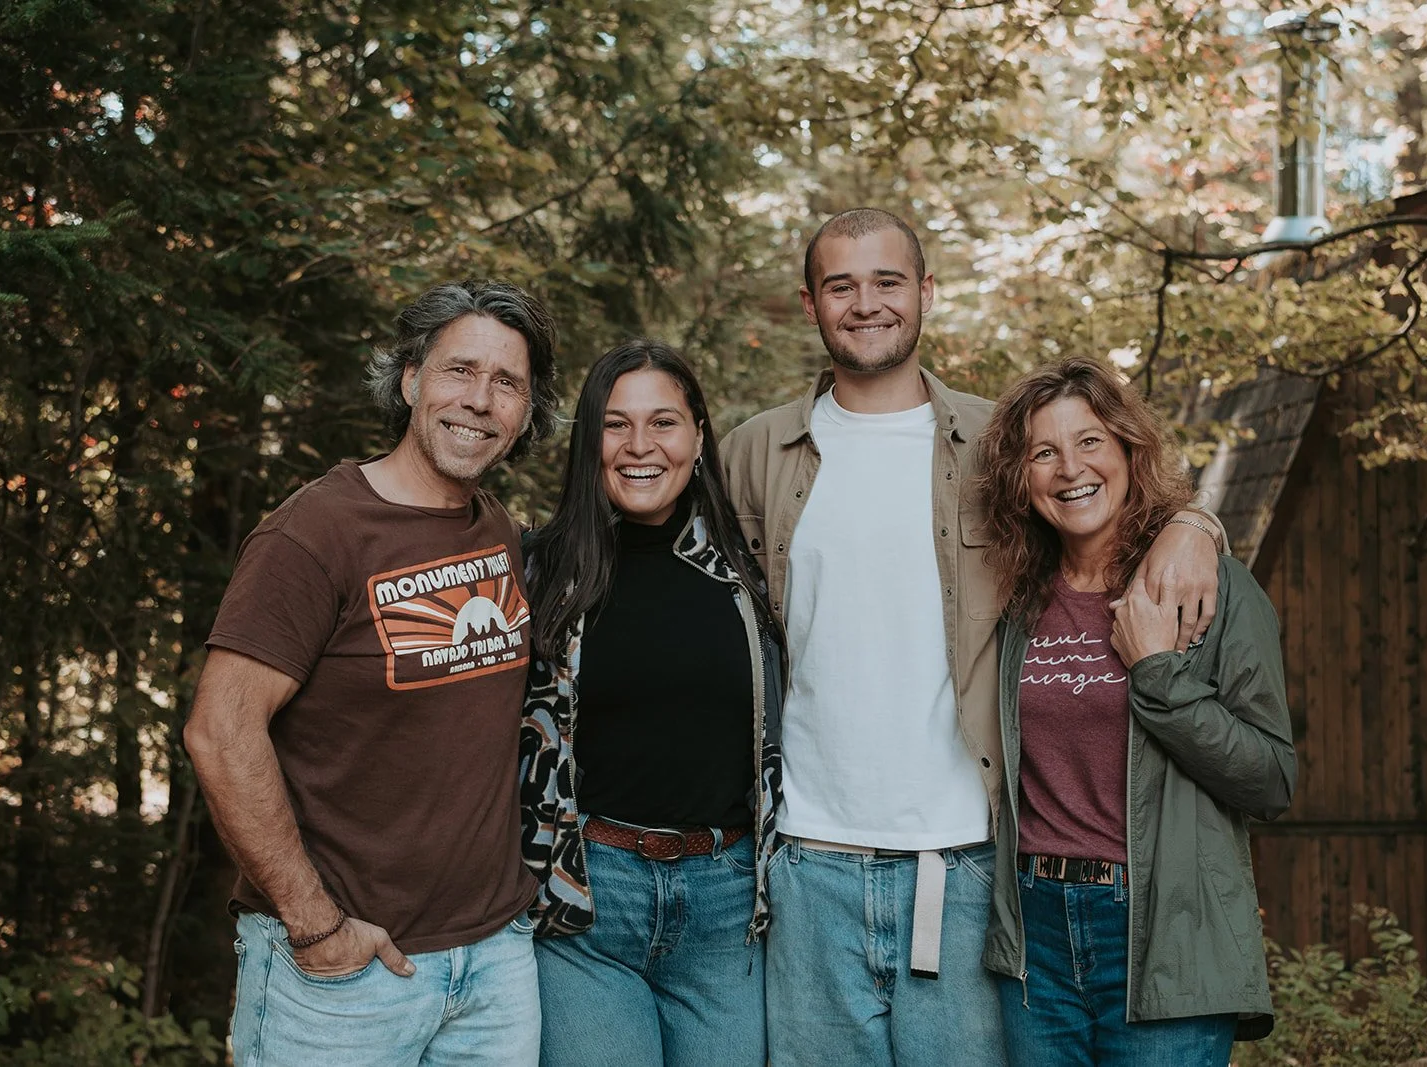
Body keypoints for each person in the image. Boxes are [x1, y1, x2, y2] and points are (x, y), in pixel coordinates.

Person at [718, 208, 1226, 1066]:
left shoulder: (999, 443)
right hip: (808, 865)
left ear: (925, 292)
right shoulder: (753, 453)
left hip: (967, 867)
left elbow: (1112, 505)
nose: (865, 302)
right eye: (841, 285)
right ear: (810, 303)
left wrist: (1195, 524)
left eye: (887, 281)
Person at [183, 280, 560, 1066]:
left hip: (494, 965)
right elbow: (220, 731)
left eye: (507, 382)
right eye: (460, 371)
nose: (480, 400)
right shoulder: (315, 532)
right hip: (343, 976)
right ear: (411, 379)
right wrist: (314, 923)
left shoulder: (496, 531)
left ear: (527, 411)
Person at [974, 356, 1296, 1065]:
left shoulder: (1204, 585)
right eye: (1043, 452)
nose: (1069, 468)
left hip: (1165, 933)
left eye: (1090, 441)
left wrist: (1158, 673)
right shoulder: (1018, 600)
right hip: (1037, 937)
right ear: (1020, 478)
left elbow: (1272, 777)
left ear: (1128, 450)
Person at [519, 339, 784, 1066]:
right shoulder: (542, 571)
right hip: (589, 902)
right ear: (588, 442)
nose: (640, 446)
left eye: (663, 422)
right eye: (615, 424)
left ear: (698, 435)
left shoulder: (749, 574)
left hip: (726, 904)